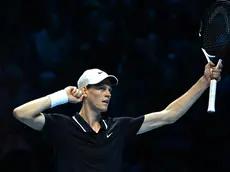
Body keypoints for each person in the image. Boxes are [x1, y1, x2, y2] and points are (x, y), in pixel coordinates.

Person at [13, 61, 223, 172]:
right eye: (101, 88)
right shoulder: (62, 125)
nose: (108, 93)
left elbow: (169, 115)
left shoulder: (118, 128)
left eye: (110, 90)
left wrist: (203, 82)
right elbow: (21, 113)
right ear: (85, 91)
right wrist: (61, 96)